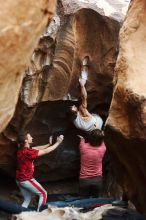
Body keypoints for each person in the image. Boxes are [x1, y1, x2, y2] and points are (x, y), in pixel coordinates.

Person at [16, 133, 64, 211]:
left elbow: (36, 148)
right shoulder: (28, 153)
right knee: (43, 194)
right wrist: (58, 143)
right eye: (30, 137)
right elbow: (45, 151)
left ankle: (19, 215)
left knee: (27, 199)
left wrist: (48, 144)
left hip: (18, 179)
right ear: (26, 141)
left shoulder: (21, 150)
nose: (32, 137)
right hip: (26, 179)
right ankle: (40, 215)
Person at [70, 56, 103, 131]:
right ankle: (83, 79)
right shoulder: (83, 113)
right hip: (97, 122)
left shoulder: (75, 121)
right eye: (74, 108)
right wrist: (82, 85)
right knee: (87, 106)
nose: (74, 106)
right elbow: (84, 97)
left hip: (90, 129)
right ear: (76, 112)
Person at [78, 129, 106, 197]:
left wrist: (82, 139)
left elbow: (82, 140)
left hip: (84, 180)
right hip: (97, 180)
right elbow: (102, 139)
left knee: (83, 200)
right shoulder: (103, 148)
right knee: (95, 201)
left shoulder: (83, 147)